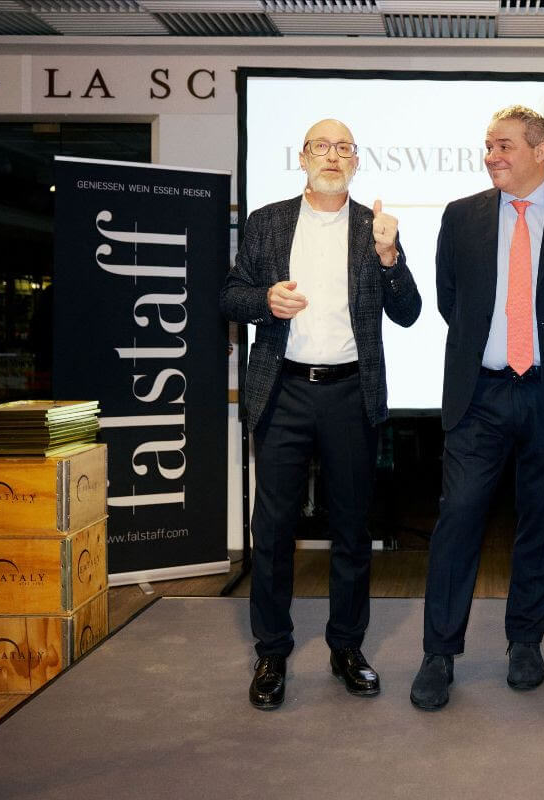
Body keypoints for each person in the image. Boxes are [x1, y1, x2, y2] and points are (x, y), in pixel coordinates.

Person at [409, 105, 544, 710]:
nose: (492, 156)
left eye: (504, 145)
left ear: (540, 150)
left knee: (543, 521)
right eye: (488, 146)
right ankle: (438, 652)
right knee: (459, 519)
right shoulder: (461, 216)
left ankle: (525, 641)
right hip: (480, 394)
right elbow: (452, 300)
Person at [220, 118, 421, 709]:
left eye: (343, 149)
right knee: (272, 530)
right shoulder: (268, 222)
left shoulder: (373, 228)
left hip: (350, 394)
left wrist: (389, 257)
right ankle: (271, 651)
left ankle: (347, 648)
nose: (332, 156)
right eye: (321, 147)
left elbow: (408, 311)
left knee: (352, 530)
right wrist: (265, 301)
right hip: (282, 391)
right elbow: (229, 294)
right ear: (303, 158)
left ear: (355, 162)